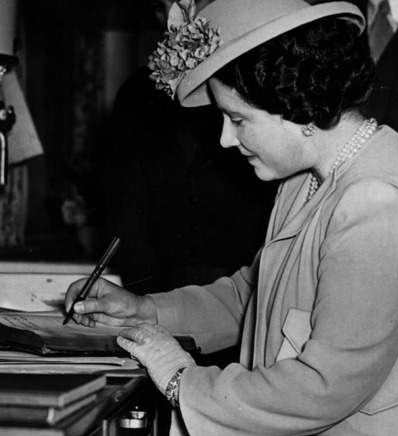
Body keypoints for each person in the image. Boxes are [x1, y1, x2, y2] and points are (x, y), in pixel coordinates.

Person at [67, 0, 398, 436]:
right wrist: (147, 311)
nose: (226, 140)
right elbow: (258, 294)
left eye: (238, 120)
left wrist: (180, 380)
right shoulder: (311, 177)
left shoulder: (377, 201)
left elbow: (323, 387)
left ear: (296, 107)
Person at [101, 0, 276, 296]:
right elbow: (127, 208)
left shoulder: (251, 82)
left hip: (245, 285)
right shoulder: (137, 93)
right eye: (164, 6)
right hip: (160, 287)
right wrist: (142, 300)